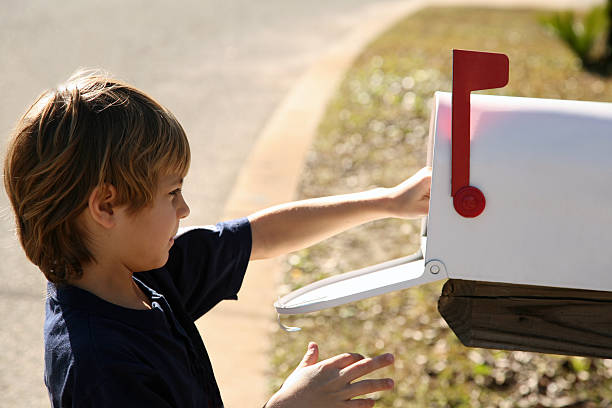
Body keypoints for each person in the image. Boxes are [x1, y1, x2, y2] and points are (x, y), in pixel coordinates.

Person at [3, 70, 432, 408]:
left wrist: (388, 201)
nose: (185, 210)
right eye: (172, 194)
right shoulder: (101, 367)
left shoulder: (143, 276)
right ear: (106, 206)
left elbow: (261, 235)